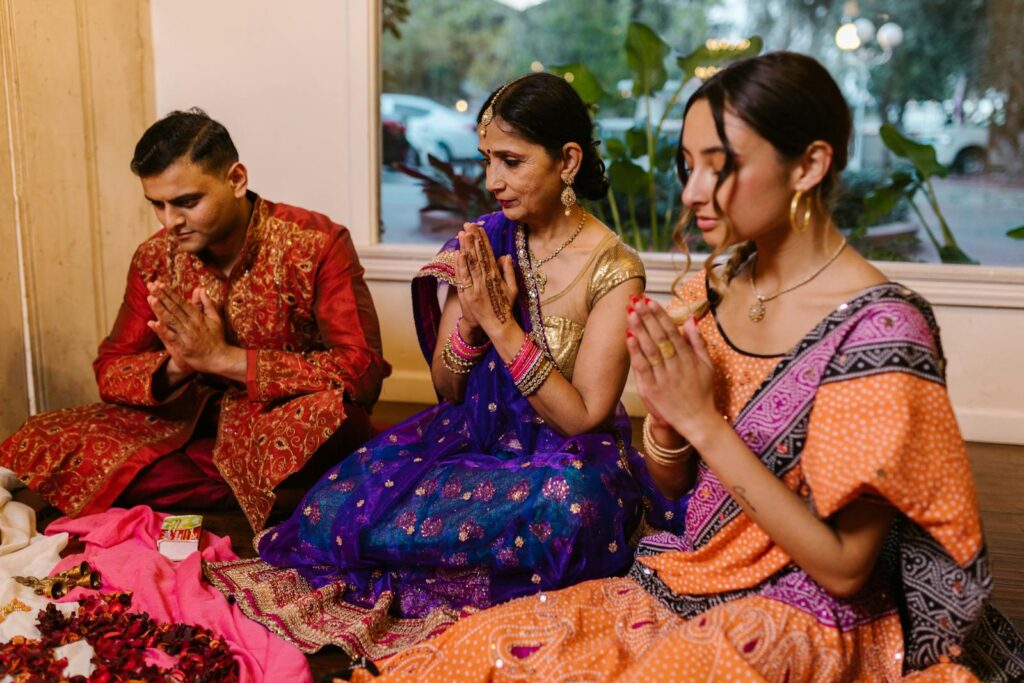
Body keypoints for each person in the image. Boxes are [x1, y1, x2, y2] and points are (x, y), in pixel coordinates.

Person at [339, 52, 1024, 682]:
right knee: (479, 654)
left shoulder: (881, 332)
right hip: (687, 574)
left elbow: (846, 569)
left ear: (809, 166)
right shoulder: (712, 291)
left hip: (808, 610)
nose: (693, 191)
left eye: (718, 165)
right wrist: (668, 430)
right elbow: (674, 496)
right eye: (685, 164)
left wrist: (700, 418)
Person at [205, 72, 675, 658]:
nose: (492, 181)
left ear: (568, 160)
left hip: (564, 463)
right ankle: (476, 558)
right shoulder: (483, 242)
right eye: (486, 160)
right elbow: (447, 388)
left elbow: (581, 417)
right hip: (470, 444)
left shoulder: (614, 269)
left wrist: (501, 325)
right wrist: (472, 325)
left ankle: (461, 560)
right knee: (329, 514)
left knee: (571, 509)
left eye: (510, 161)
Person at [0, 109, 390, 531]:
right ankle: (276, 492)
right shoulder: (154, 258)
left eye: (187, 202)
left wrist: (223, 359)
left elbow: (361, 370)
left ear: (236, 179)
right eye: (158, 205)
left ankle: (251, 486)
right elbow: (110, 369)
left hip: (277, 421)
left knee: (334, 419)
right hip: (191, 428)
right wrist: (179, 365)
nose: (171, 222)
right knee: (47, 432)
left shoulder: (317, 243)